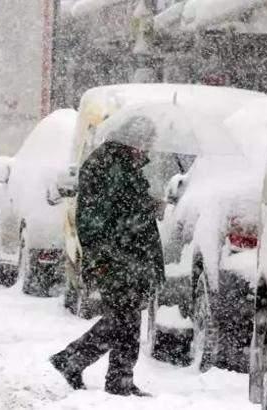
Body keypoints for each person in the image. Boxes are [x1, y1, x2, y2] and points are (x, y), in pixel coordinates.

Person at [49, 136, 165, 396]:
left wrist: (148, 206)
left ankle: (115, 377)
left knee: (127, 318)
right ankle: (82, 363)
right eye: (145, 140)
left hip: (128, 258)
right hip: (116, 259)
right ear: (129, 139)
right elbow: (99, 218)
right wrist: (101, 258)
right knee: (123, 318)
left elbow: (123, 210)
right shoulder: (109, 168)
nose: (146, 147)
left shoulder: (122, 167)